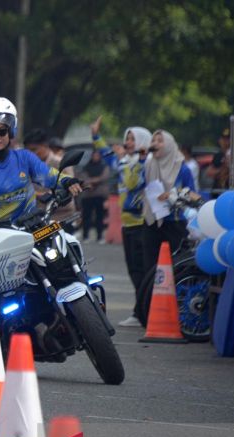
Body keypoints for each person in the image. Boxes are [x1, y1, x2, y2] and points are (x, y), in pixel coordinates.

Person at [0, 96, 82, 226]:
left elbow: (49, 175)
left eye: (2, 132)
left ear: (10, 131)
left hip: (32, 230)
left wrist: (67, 181)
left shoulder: (25, 158)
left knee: (65, 241)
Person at [91, 116, 151, 326]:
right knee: (134, 270)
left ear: (143, 141)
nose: (128, 143)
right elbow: (107, 156)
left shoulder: (144, 164)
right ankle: (140, 311)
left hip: (142, 224)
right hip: (128, 224)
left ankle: (143, 312)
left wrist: (125, 161)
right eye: (127, 139)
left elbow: (134, 183)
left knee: (143, 271)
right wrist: (96, 136)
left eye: (133, 139)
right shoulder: (126, 161)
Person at [142, 129, 196, 272]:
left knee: (176, 267)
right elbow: (136, 186)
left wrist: (172, 194)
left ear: (170, 145)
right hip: (152, 222)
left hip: (174, 223)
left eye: (160, 141)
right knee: (150, 268)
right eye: (153, 141)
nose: (155, 144)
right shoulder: (148, 165)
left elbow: (191, 193)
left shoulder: (182, 169)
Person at [23, 128, 78, 230]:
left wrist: (38, 194)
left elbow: (69, 188)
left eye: (34, 150)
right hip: (38, 218)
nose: (31, 154)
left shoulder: (61, 163)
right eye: (28, 151)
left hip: (62, 216)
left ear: (45, 146)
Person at [77, 150, 110, 243]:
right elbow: (83, 177)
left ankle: (100, 236)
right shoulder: (86, 167)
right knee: (86, 216)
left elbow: (105, 177)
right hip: (88, 195)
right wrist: (90, 182)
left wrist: (93, 181)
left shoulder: (103, 166)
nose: (95, 157)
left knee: (99, 216)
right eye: (94, 155)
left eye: (97, 155)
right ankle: (85, 236)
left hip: (99, 195)